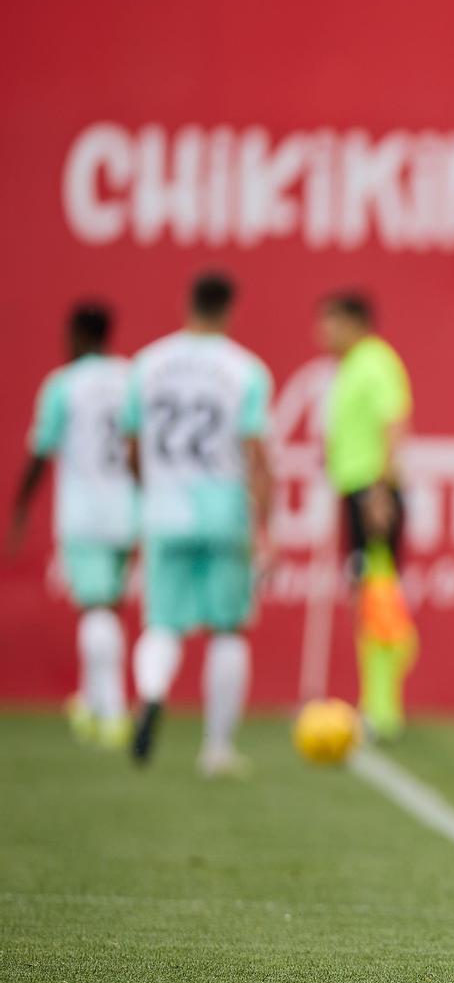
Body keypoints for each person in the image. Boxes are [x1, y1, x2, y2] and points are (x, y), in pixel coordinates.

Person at [126, 272, 274, 775]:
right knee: (228, 629)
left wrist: (149, 493)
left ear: (186, 301)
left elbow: (130, 445)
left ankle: (151, 693)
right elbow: (256, 452)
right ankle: (217, 748)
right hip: (224, 510)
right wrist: (266, 527)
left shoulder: (147, 364)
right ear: (230, 309)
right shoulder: (245, 370)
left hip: (165, 508)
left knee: (162, 621)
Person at [10, 302, 139, 748]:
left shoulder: (64, 385)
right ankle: (91, 700)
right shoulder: (130, 379)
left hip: (84, 511)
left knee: (95, 607)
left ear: (78, 335)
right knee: (110, 607)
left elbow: (41, 450)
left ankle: (113, 710)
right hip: (128, 508)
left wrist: (21, 507)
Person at [319, 291, 416, 741]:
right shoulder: (351, 367)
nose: (323, 332)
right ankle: (374, 703)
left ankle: (383, 709)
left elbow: (394, 423)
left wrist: (381, 490)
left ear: (354, 322)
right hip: (356, 489)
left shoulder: (376, 361)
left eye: (331, 322)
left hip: (372, 493)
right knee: (370, 595)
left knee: (378, 598)